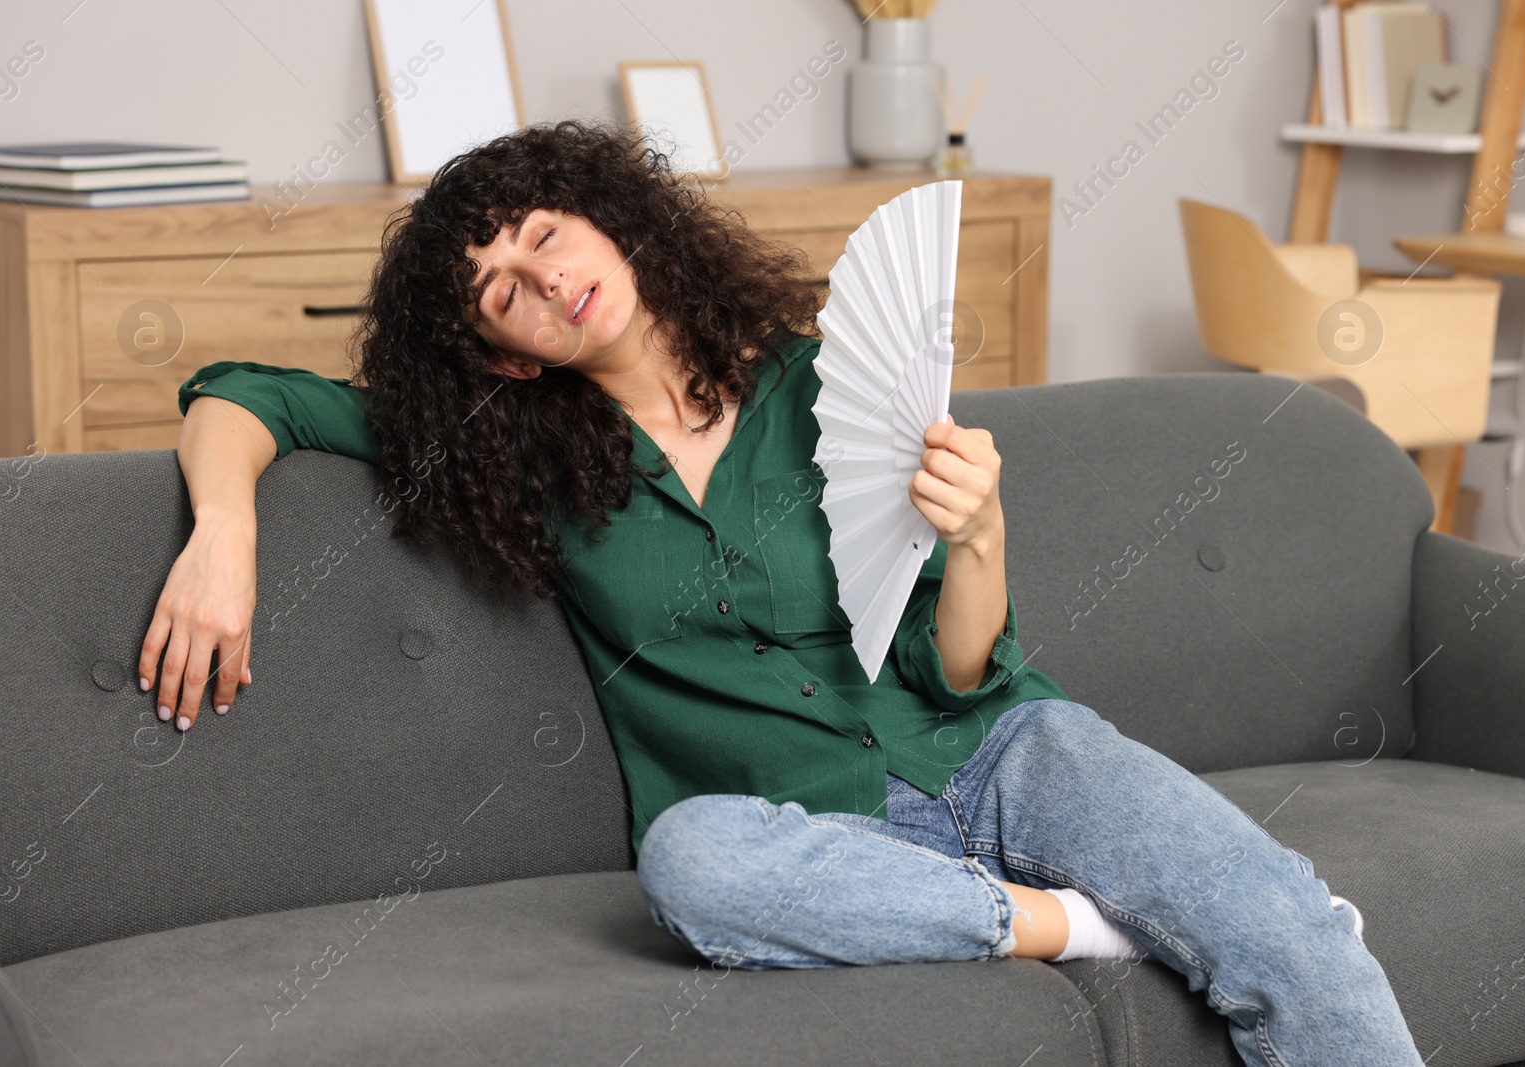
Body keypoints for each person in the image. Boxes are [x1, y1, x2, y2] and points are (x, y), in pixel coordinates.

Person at [141, 120, 1421, 1066]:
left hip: (1003, 748)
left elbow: (963, 673)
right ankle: (1084, 924)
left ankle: (1169, 907)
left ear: (604, 215)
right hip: (798, 827)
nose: (542, 280)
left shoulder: (828, 383)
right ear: (499, 355)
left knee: (1293, 928)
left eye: (545, 235)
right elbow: (243, 390)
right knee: (690, 862)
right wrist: (225, 531)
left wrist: (979, 536)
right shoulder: (519, 464)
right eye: (501, 292)